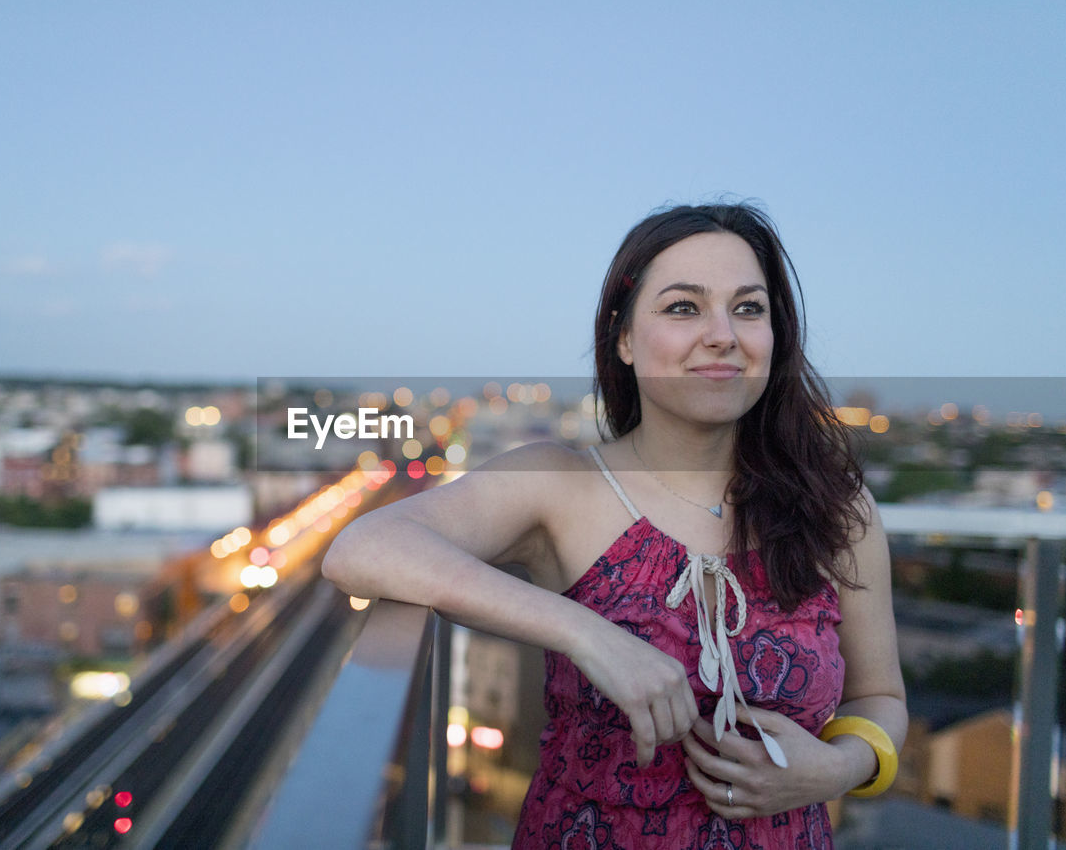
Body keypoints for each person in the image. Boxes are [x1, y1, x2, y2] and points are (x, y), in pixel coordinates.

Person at [322, 202, 907, 849]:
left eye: (748, 308)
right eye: (683, 307)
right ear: (623, 339)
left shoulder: (836, 510)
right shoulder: (565, 486)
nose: (723, 334)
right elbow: (363, 547)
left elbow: (880, 696)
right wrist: (587, 632)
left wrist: (837, 768)